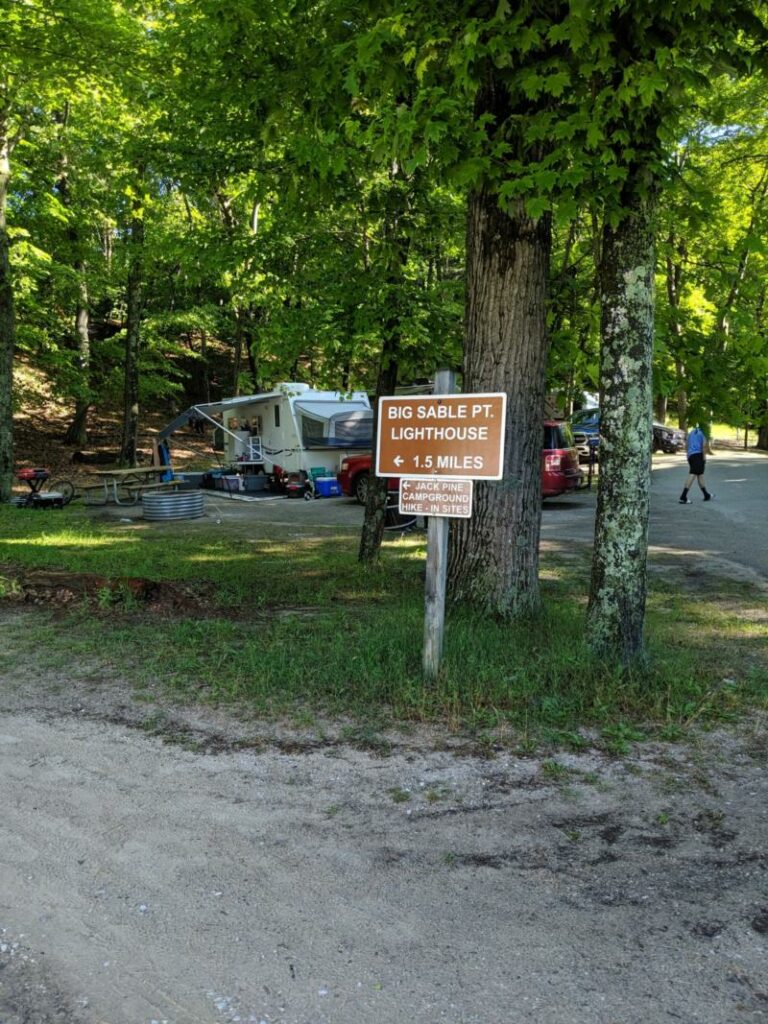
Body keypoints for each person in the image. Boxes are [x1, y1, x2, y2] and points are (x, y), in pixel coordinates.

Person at [679, 424, 714, 504]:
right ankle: (683, 496)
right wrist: (704, 457)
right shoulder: (701, 434)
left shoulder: (690, 434)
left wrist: (687, 455)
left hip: (691, 456)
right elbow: (704, 446)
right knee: (693, 474)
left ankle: (706, 495)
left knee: (700, 475)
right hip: (698, 456)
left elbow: (687, 445)